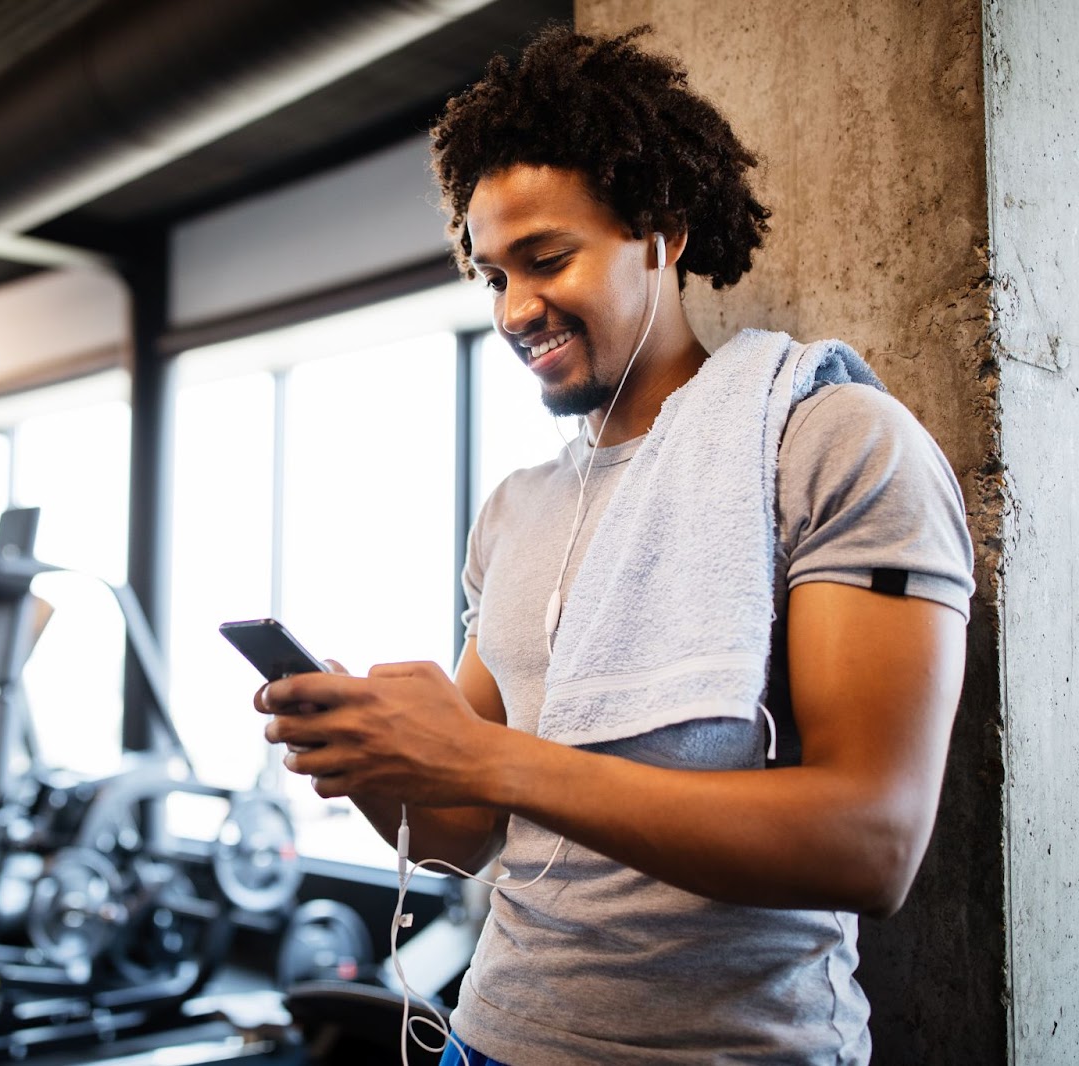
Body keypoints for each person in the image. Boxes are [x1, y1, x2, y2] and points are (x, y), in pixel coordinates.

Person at [255, 26, 973, 1066]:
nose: (514, 309)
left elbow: (873, 843)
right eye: (490, 272)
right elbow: (462, 832)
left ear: (662, 233)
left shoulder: (828, 442)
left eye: (546, 260)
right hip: (489, 1039)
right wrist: (371, 756)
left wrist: (486, 754)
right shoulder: (514, 509)